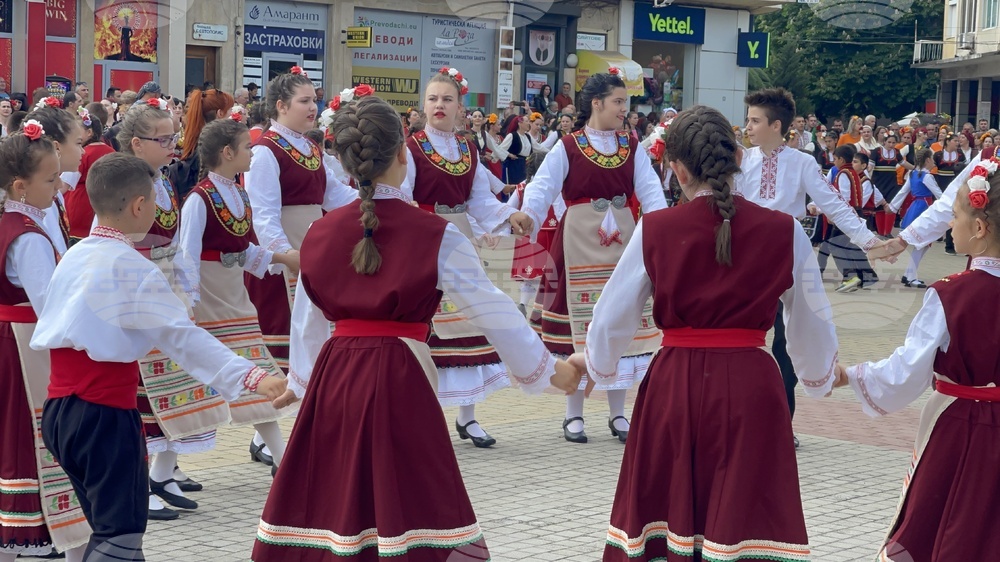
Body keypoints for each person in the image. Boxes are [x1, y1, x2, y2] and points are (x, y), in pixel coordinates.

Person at [251, 95, 580, 562]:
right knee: (411, 506)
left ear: (342, 162)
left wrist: (302, 381)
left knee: (336, 507)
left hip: (336, 380)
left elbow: (309, 320)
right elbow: (494, 311)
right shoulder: (436, 235)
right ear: (404, 155)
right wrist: (550, 370)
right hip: (399, 377)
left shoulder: (320, 235)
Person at [574, 104, 841, 562]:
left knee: (669, 516)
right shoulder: (785, 231)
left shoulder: (656, 228)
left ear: (676, 169)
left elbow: (613, 314)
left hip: (674, 385)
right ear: (737, 156)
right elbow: (812, 318)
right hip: (753, 386)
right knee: (743, 519)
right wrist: (818, 377)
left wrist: (595, 364)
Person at [31, 153, 286, 561]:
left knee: (105, 527)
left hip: (60, 412)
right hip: (103, 413)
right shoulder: (133, 268)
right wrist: (253, 377)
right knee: (121, 535)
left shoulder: (75, 254)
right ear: (139, 206)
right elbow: (181, 337)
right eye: (154, 200)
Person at [844, 154, 1000, 561]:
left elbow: (906, 373)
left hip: (961, 431)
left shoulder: (950, 295)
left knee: (952, 527)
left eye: (956, 217)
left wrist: (850, 375)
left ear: (980, 228)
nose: (950, 223)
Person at [521, 69, 668, 444]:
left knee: (621, 323)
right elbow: (543, 188)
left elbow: (650, 192)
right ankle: (574, 415)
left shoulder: (631, 146)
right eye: (619, 102)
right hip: (578, 243)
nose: (625, 110)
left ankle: (618, 414)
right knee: (581, 330)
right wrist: (528, 215)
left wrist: (663, 229)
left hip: (623, 244)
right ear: (597, 103)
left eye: (626, 103)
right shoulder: (568, 146)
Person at [400, 67, 533, 447]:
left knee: (469, 323)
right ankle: (423, 418)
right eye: (432, 99)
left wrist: (511, 214)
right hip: (424, 239)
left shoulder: (467, 148)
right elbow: (403, 196)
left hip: (461, 239)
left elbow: (479, 201)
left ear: (461, 107)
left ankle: (468, 417)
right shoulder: (410, 148)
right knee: (428, 329)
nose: (439, 105)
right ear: (423, 104)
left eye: (447, 99)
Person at [735, 88, 877, 443]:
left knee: (787, 343)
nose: (748, 126)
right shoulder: (742, 160)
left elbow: (834, 204)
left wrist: (871, 242)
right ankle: (737, 417)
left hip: (788, 254)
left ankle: (781, 421)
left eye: (754, 120)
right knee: (740, 339)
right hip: (744, 258)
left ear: (776, 125)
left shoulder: (801, 162)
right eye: (748, 119)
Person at [243, 68, 357, 462]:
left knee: (314, 337)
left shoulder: (309, 149)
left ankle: (273, 439)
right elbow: (262, 213)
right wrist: (284, 254)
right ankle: (276, 436)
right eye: (305, 101)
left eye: (315, 100)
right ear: (281, 106)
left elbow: (335, 192)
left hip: (312, 247)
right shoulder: (264, 151)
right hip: (287, 256)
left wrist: (374, 202)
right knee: (285, 342)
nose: (314, 107)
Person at [177, 118, 300, 481]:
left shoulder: (238, 194)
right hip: (211, 295)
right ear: (227, 153)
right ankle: (163, 467)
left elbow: (242, 250)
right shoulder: (199, 198)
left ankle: (282, 458)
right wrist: (190, 301)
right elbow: (187, 253)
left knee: (251, 372)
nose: (252, 151)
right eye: (247, 146)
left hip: (234, 292)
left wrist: (281, 258)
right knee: (205, 382)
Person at [0, 130, 89, 562]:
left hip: (14, 342)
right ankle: (39, 535)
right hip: (25, 348)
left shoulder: (13, 223)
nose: (58, 188)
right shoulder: (28, 236)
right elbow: (50, 306)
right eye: (51, 181)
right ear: (21, 185)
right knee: (31, 440)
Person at [22, 106, 84, 257]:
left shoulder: (53, 193)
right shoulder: (41, 200)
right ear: (57, 147)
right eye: (78, 143)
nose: (83, 151)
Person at [887, 148, 942, 289]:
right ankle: (910, 276)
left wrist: (892, 207)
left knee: (922, 243)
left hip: (915, 208)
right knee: (921, 243)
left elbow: (903, 192)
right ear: (928, 160)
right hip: (924, 208)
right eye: (932, 159)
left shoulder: (912, 174)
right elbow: (939, 194)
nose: (934, 162)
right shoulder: (927, 176)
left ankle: (909, 274)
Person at [168, 88, 235, 200]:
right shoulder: (210, 152)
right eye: (230, 112)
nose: (233, 117)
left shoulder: (198, 144)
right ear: (220, 114)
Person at [63, 102, 115, 244]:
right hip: (102, 210)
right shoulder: (111, 152)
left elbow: (64, 185)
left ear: (89, 132)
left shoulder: (82, 154)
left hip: (79, 211)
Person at [934, 132, 967, 255]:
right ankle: (938, 237)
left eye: (958, 141)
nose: (957, 143)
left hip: (956, 186)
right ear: (948, 142)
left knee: (955, 213)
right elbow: (933, 171)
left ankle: (952, 245)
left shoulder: (960, 155)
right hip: (941, 186)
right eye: (955, 141)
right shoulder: (938, 155)